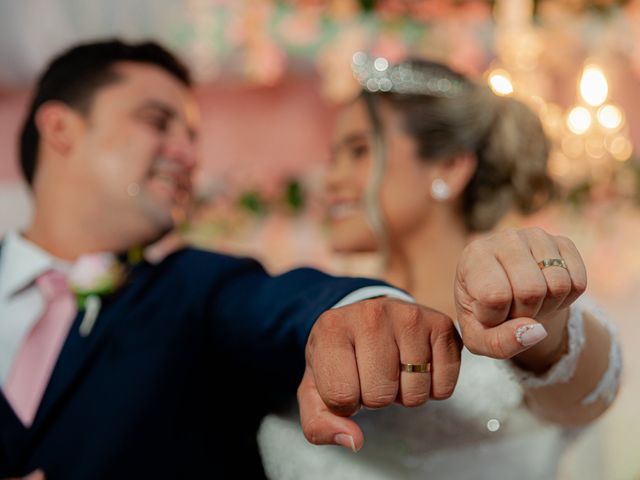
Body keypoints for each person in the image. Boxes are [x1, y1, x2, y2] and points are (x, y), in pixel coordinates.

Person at [0, 41, 468, 479]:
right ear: (61, 128)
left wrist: (358, 312)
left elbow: (281, 305)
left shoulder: (198, 287)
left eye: (192, 137)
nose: (189, 156)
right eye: (157, 122)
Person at [258, 56, 622, 479]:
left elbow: (582, 388)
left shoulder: (529, 303)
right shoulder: (308, 309)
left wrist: (544, 315)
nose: (330, 179)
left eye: (358, 151)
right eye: (333, 156)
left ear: (449, 167)